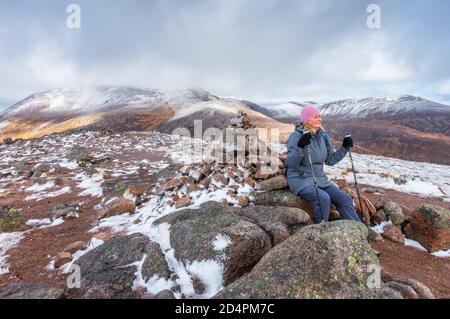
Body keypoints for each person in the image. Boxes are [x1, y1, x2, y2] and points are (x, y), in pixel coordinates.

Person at [285, 105, 361, 224]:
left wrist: (344, 147)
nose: (319, 119)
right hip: (300, 179)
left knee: (345, 199)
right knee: (323, 198)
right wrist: (300, 147)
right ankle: (320, 232)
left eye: (320, 116)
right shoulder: (296, 136)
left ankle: (358, 231)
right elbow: (291, 163)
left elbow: (330, 160)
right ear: (307, 120)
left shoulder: (323, 136)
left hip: (320, 180)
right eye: (315, 116)